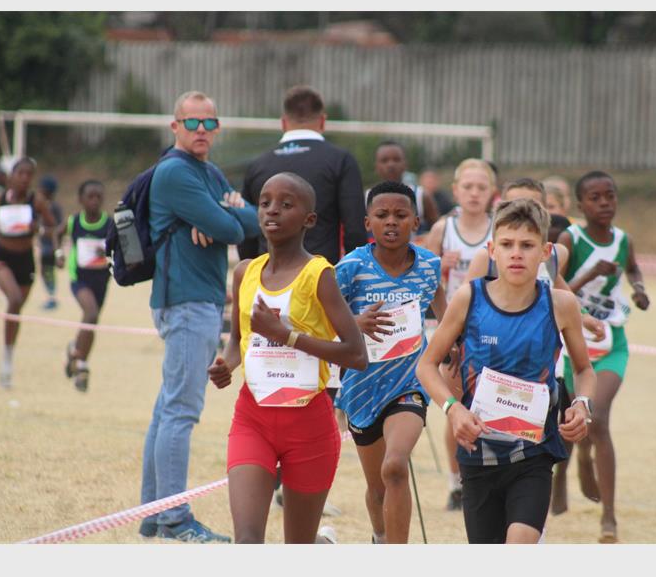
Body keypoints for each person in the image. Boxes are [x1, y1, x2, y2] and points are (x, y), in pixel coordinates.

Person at [416, 197, 596, 544]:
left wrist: (582, 404)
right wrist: (453, 410)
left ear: (544, 252)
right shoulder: (469, 298)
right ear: (491, 250)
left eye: (527, 245)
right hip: (478, 454)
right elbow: (426, 365)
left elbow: (584, 369)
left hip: (534, 453)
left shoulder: (561, 304)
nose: (516, 254)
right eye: (507, 244)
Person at [208, 172, 367, 544]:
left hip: (309, 424)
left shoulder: (319, 274)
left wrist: (287, 336)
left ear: (309, 219)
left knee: (298, 546)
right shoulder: (245, 272)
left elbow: (356, 354)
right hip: (253, 418)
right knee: (247, 541)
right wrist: (226, 364)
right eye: (265, 202)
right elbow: (239, 340)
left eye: (286, 204)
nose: (272, 210)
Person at [137, 90, 260, 544]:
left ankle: (153, 514)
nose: (202, 130)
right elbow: (233, 227)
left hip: (197, 300)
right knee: (181, 411)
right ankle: (174, 518)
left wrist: (225, 215)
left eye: (210, 122)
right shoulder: (176, 171)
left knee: (167, 408)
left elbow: (252, 221)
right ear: (175, 127)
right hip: (186, 303)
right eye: (192, 122)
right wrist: (225, 215)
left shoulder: (208, 171)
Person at [335, 180, 455, 544]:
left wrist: (450, 345)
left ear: (415, 221)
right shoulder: (351, 267)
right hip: (361, 389)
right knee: (377, 489)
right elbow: (324, 317)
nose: (391, 222)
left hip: (409, 385)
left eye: (401, 215)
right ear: (367, 222)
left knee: (396, 466)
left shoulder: (429, 265)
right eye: (382, 215)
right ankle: (379, 537)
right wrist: (355, 323)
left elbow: (443, 311)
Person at [554, 170, 650, 544]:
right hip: (574, 343)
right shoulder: (570, 239)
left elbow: (633, 267)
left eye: (609, 195)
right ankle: (570, 465)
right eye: (595, 198)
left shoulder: (623, 240)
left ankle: (609, 518)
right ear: (581, 205)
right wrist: (592, 271)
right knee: (573, 422)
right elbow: (555, 287)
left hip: (612, 342)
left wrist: (638, 288)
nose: (604, 203)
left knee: (600, 416)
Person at [423, 158, 495, 511]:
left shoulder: (500, 230)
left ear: (492, 192)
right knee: (457, 408)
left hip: (491, 331)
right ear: (455, 190)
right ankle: (456, 484)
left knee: (490, 407)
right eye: (468, 186)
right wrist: (439, 267)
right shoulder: (443, 229)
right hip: (452, 332)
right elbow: (422, 278)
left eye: (482, 187)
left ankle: (485, 478)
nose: (474, 193)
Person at [237, 85, 367, 266]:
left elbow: (247, 229)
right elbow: (355, 228)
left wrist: (254, 272)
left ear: (283, 122)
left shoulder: (257, 165)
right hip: (319, 275)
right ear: (322, 121)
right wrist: (352, 274)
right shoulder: (341, 160)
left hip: (268, 277)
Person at [0, 157, 58, 389]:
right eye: (20, 173)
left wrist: (38, 229)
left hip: (26, 262)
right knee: (14, 299)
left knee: (16, 311)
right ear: (12, 176)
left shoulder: (36, 201)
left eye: (29, 174)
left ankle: (8, 356)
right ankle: (6, 359)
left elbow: (52, 227)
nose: (24, 178)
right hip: (3, 257)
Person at [59, 180, 113, 393]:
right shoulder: (74, 222)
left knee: (92, 321)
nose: (95, 201)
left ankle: (75, 352)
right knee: (90, 313)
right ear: (80, 199)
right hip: (79, 279)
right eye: (90, 196)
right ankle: (82, 366)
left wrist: (107, 253)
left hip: (101, 280)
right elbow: (56, 234)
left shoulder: (110, 224)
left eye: (99, 196)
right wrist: (59, 254)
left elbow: (120, 248)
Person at [372, 141, 439, 236]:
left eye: (396, 160)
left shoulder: (421, 196)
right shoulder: (367, 198)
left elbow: (438, 231)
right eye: (384, 160)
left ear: (405, 164)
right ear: (376, 166)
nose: (391, 165)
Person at [37, 175, 64, 310]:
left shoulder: (53, 207)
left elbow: (58, 229)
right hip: (44, 245)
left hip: (50, 246)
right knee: (45, 271)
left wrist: (42, 231)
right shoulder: (41, 205)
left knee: (47, 271)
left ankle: (51, 297)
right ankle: (50, 296)